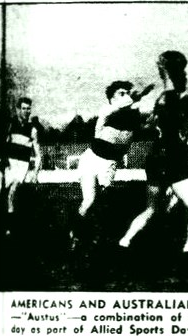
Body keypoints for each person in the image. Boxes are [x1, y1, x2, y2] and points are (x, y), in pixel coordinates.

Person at [119, 51, 188, 253]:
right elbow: (170, 85)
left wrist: (163, 69)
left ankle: (125, 240)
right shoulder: (171, 96)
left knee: (150, 208)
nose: (185, 78)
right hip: (173, 157)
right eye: (183, 75)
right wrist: (165, 69)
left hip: (155, 156)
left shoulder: (160, 102)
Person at [71, 81, 153, 248]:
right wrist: (138, 95)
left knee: (105, 199)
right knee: (89, 201)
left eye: (126, 93)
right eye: (121, 94)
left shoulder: (133, 116)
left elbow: (145, 123)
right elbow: (122, 106)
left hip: (109, 163)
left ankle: (100, 237)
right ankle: (75, 234)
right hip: (91, 161)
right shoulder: (106, 111)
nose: (125, 96)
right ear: (111, 99)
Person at [4, 98, 41, 215]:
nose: (26, 111)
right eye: (23, 108)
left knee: (12, 192)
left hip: (22, 165)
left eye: (28, 109)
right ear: (18, 110)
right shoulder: (11, 125)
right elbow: (5, 145)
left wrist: (35, 172)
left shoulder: (32, 130)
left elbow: (38, 154)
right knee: (3, 194)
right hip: (10, 164)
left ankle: (10, 228)